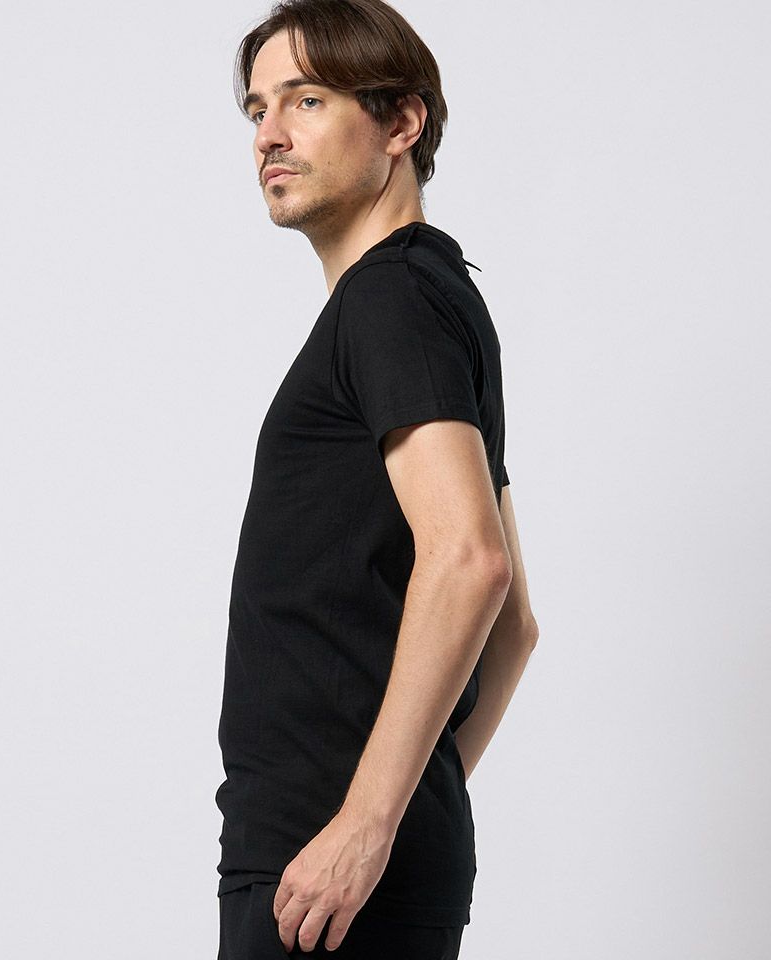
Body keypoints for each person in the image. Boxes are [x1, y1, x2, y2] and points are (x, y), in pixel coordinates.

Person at [214, 2, 539, 957]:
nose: (268, 135)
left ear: (402, 122)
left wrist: (367, 822)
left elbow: (471, 564)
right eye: (258, 109)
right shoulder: (432, 299)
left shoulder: (392, 298)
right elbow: (515, 624)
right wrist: (406, 808)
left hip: (321, 871)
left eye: (306, 100)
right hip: (339, 864)